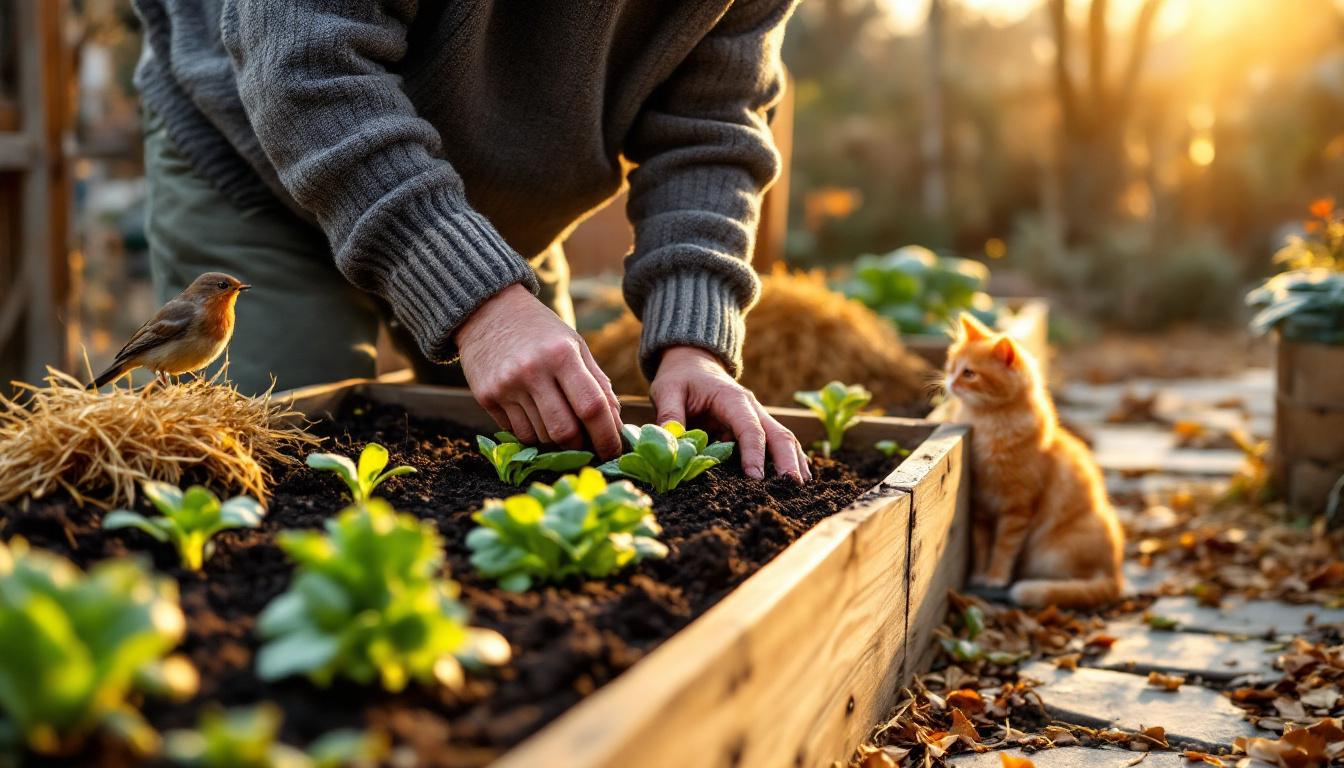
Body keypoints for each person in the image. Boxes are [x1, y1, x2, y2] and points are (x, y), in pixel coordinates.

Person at [132, 0, 809, 481]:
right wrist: (480, 302)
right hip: (259, 160)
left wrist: (694, 339)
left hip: (500, 213)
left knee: (554, 463)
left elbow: (711, 126)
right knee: (274, 467)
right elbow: (304, 64)